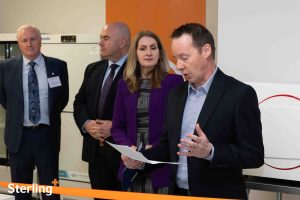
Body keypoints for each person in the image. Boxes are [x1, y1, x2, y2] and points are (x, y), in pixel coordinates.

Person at [122, 23, 264, 199]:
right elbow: (168, 146)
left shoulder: (239, 94)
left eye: (184, 57)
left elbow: (254, 155)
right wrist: (140, 159)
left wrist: (211, 152)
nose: (179, 65)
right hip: (178, 194)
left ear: (206, 51)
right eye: (176, 58)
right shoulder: (176, 94)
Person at [0, 24, 69, 200]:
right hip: (19, 137)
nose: (29, 44)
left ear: (40, 41)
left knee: (50, 190)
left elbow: (62, 99)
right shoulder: (5, 68)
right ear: (19, 43)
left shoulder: (58, 66)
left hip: (47, 136)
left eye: (33, 39)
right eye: (24, 40)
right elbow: (4, 99)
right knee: (21, 192)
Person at [111, 31, 183, 193]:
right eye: (142, 48)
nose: (149, 53)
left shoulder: (174, 82)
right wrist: (129, 149)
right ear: (135, 54)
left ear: (160, 53)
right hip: (130, 163)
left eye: (153, 48)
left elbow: (176, 127)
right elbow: (117, 127)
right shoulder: (124, 85)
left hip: (159, 165)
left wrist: (155, 150)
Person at [73, 22, 131, 197]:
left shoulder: (137, 72)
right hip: (95, 155)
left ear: (122, 42)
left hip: (123, 156)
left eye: (106, 38)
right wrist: (86, 124)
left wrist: (114, 126)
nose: (100, 42)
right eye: (100, 38)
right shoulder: (93, 69)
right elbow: (79, 102)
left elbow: (145, 115)